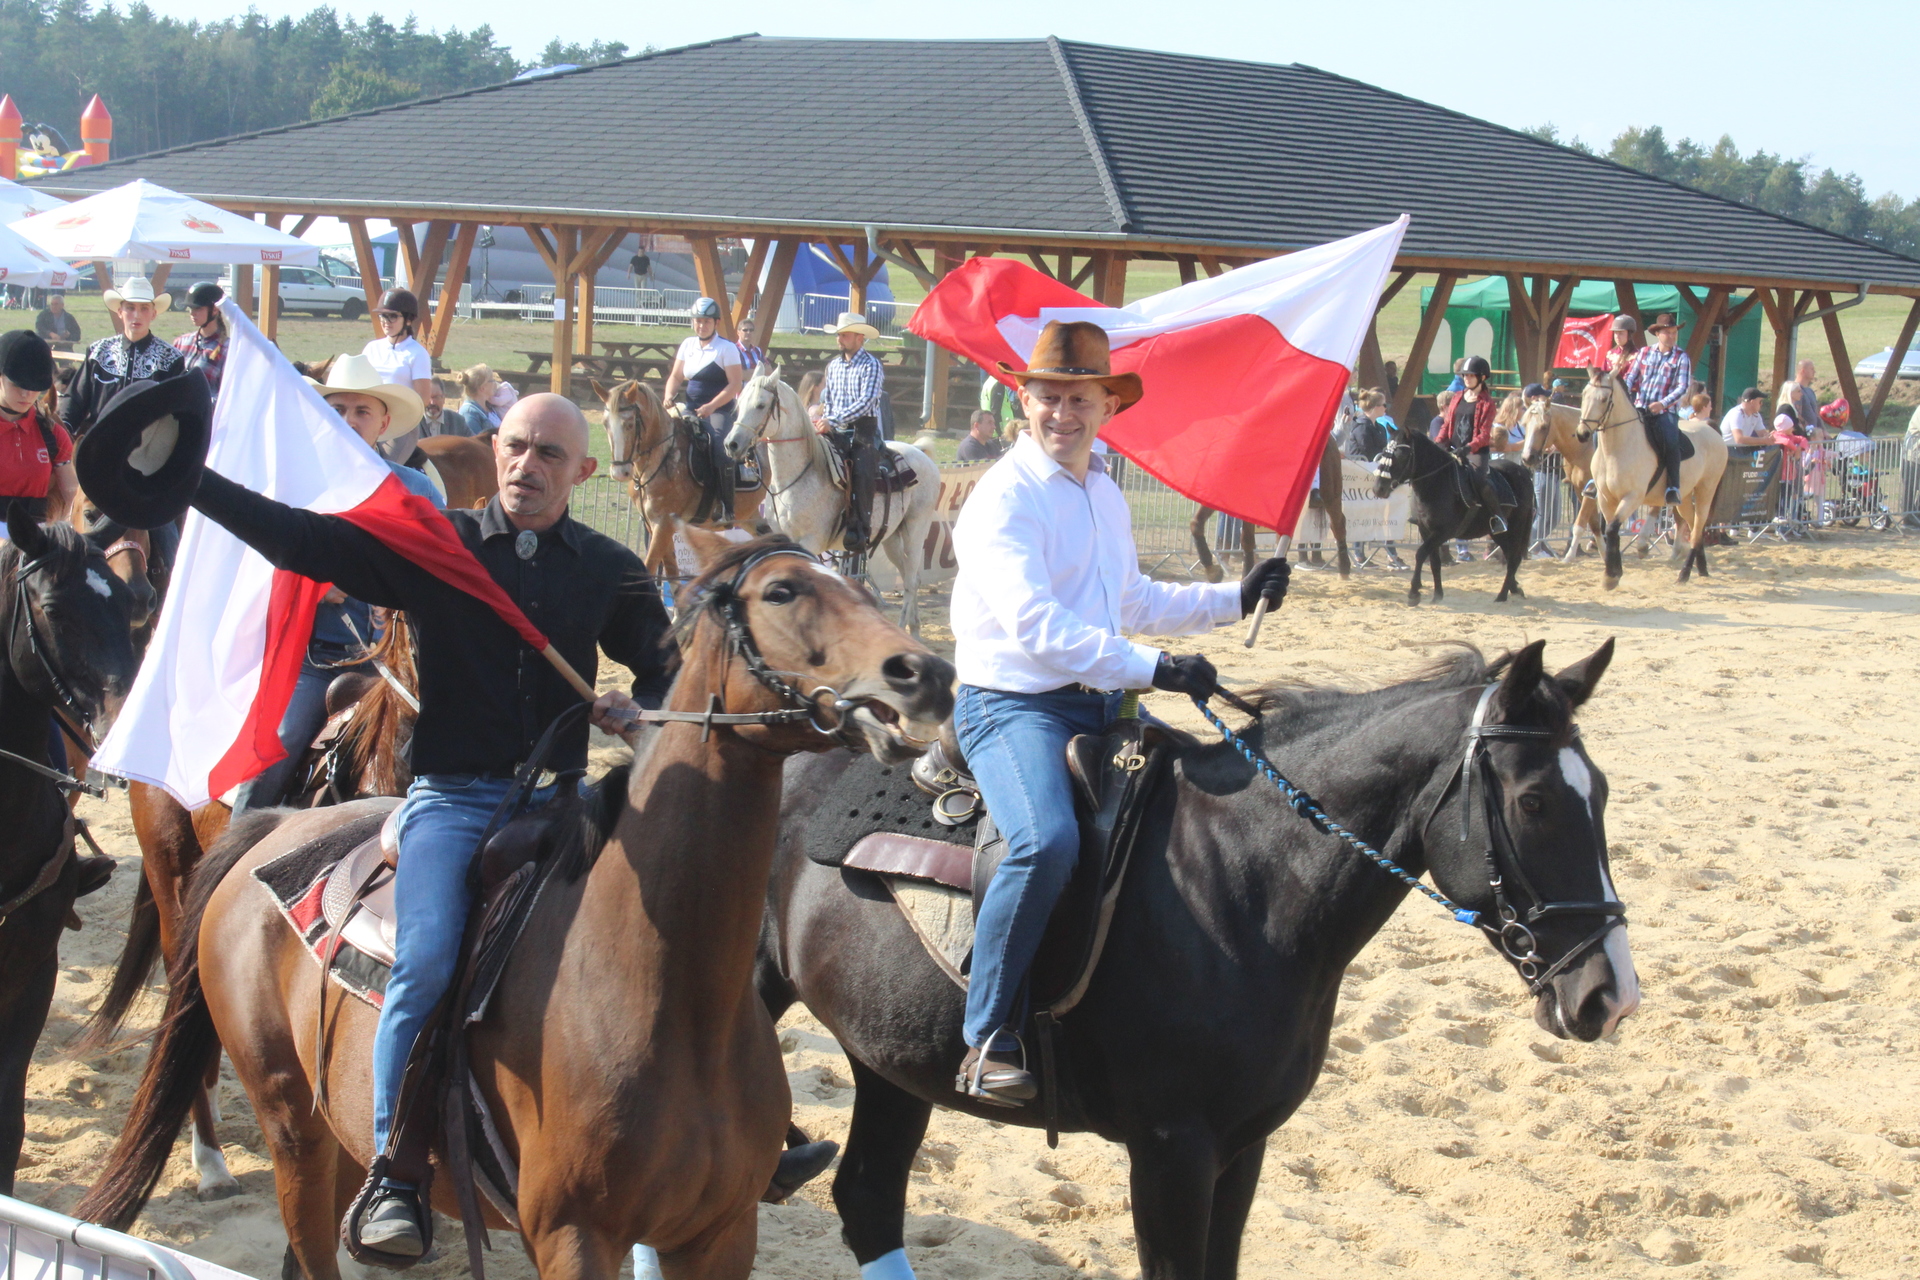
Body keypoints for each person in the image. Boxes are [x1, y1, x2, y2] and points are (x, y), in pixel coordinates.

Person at [180, 391, 677, 1260]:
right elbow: (307, 541)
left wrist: (641, 711)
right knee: (427, 961)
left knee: (678, 929)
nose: (528, 466)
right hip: (454, 798)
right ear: (495, 449)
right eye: (516, 447)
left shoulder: (611, 568)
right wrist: (189, 481)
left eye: (550, 455)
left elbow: (672, 674)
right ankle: (395, 1174)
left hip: (566, 801)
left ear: (584, 473)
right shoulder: (440, 544)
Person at [947, 320, 1289, 1106]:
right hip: (1013, 705)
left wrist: (1233, 598)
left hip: (1101, 700)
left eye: (1079, 399)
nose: (1062, 413)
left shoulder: (1103, 489)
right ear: (1022, 400)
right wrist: (1158, 667)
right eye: (1048, 398)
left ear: (1107, 407)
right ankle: (987, 1035)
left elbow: (1129, 598)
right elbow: (1038, 627)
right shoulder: (1003, 498)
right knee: (1045, 842)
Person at [228, 355, 445, 817]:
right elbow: (258, 565)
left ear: (384, 421)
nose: (349, 420)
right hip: (319, 662)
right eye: (338, 409)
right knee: (279, 746)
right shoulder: (299, 492)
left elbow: (442, 572)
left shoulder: (416, 492)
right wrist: (311, 582)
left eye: (362, 411)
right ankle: (237, 847)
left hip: (399, 666)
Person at [62, 277, 185, 441]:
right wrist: (63, 431)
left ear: (153, 314)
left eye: (144, 308)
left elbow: (177, 412)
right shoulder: (98, 352)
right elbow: (75, 399)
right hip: (99, 445)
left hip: (146, 453)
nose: (137, 315)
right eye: (130, 308)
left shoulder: (170, 359)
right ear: (120, 312)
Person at [811, 312, 887, 551]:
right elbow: (830, 399)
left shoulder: (872, 365)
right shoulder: (832, 366)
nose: (839, 339)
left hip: (863, 429)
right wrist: (825, 420)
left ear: (859, 338)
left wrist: (832, 420)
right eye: (839, 335)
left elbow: (866, 401)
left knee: (862, 468)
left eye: (844, 335)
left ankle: (860, 527)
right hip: (835, 424)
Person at [659, 297, 746, 488]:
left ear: (716, 323)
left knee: (719, 447)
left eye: (707, 321)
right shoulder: (687, 345)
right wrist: (668, 396)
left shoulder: (727, 348)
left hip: (720, 411)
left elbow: (735, 385)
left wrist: (712, 406)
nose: (702, 325)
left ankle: (726, 502)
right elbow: (675, 376)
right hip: (690, 408)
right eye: (698, 321)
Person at [0, 330, 76, 523]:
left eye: (34, 387)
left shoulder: (52, 434)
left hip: (37, 535)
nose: (26, 394)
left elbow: (71, 493)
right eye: (16, 385)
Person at [360, 289, 436, 463]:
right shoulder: (371, 349)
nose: (386, 322)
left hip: (401, 425)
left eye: (392, 316)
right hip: (370, 420)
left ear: (408, 320)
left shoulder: (417, 353)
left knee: (386, 467)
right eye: (382, 316)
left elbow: (423, 398)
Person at [1621, 312, 1690, 504]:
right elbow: (1629, 378)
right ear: (1657, 333)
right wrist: (1625, 396)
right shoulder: (1644, 353)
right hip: (1639, 408)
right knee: (1608, 431)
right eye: (1667, 332)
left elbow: (1682, 387)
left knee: (1671, 439)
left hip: (1665, 412)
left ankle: (1673, 486)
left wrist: (1663, 404)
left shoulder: (1681, 357)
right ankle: (1596, 477)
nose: (1672, 336)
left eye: (1674, 332)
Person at [1446, 356, 1512, 531]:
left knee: (1480, 480)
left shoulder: (1488, 403)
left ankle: (1497, 517)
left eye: (1470, 375)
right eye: (1464, 375)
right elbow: (1447, 424)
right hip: (1453, 448)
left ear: (1482, 378)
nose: (1466, 378)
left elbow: (1484, 435)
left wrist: (1468, 448)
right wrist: (1438, 442)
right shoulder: (1457, 397)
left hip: (1476, 453)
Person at [173, 283, 228, 399]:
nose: (192, 313)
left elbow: (228, 396)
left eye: (198, 308)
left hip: (209, 414)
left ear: (214, 310)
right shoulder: (180, 343)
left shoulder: (228, 350)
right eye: (190, 308)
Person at [1342, 389, 1392, 460]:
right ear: (1375, 406)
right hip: (1360, 468)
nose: (1386, 408)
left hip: (1375, 467)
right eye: (1384, 405)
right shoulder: (1361, 427)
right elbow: (1368, 452)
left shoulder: (1381, 428)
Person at [456, 364, 503, 435]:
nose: (495, 383)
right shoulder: (469, 413)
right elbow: (475, 443)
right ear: (483, 388)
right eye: (492, 380)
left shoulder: (490, 407)